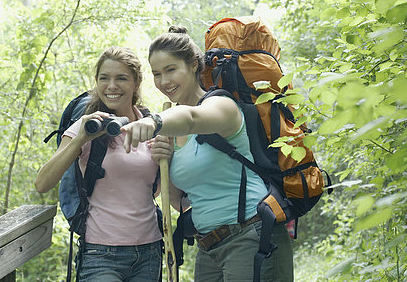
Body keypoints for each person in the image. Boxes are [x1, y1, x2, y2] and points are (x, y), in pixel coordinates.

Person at [120, 27, 293, 282]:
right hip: (208, 248)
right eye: (156, 74)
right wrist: (164, 162)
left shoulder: (221, 105)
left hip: (251, 235)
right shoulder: (170, 128)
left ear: (193, 66)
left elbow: (191, 118)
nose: (164, 81)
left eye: (171, 70)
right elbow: (181, 200)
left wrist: (153, 122)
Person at [35, 46, 162, 282]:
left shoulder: (150, 126)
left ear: (136, 83)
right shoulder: (85, 126)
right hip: (100, 254)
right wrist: (81, 139)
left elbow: (153, 188)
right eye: (104, 78)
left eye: (121, 78)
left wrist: (167, 155)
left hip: (149, 250)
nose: (111, 85)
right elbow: (43, 183)